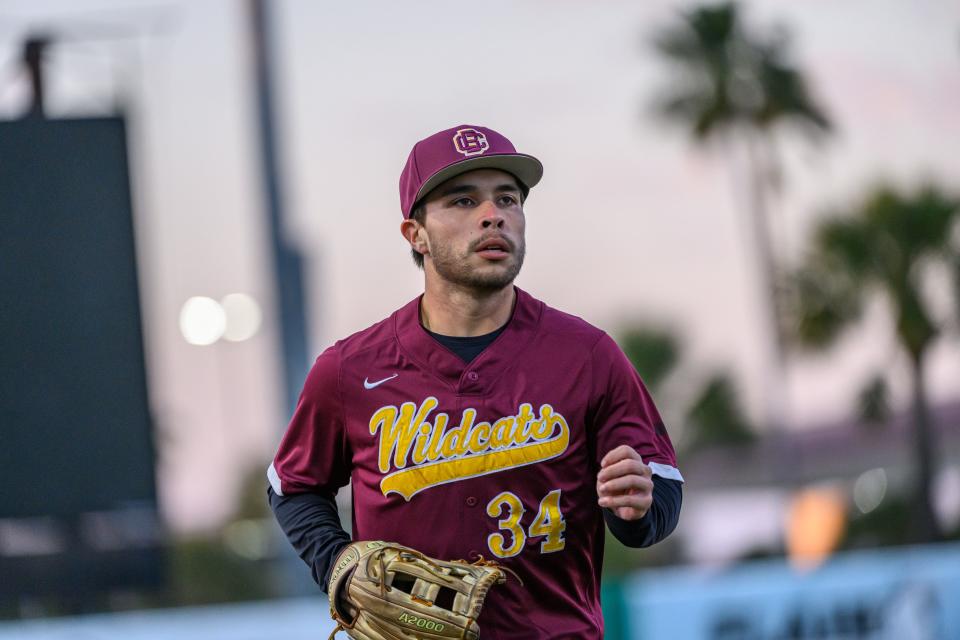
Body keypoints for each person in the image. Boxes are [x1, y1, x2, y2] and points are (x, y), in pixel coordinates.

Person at [267, 124, 683, 639]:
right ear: (414, 233)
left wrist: (637, 509)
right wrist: (337, 566)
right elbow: (293, 486)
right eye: (462, 200)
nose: (493, 215)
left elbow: (661, 484)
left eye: (507, 198)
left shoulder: (587, 355)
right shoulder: (350, 370)